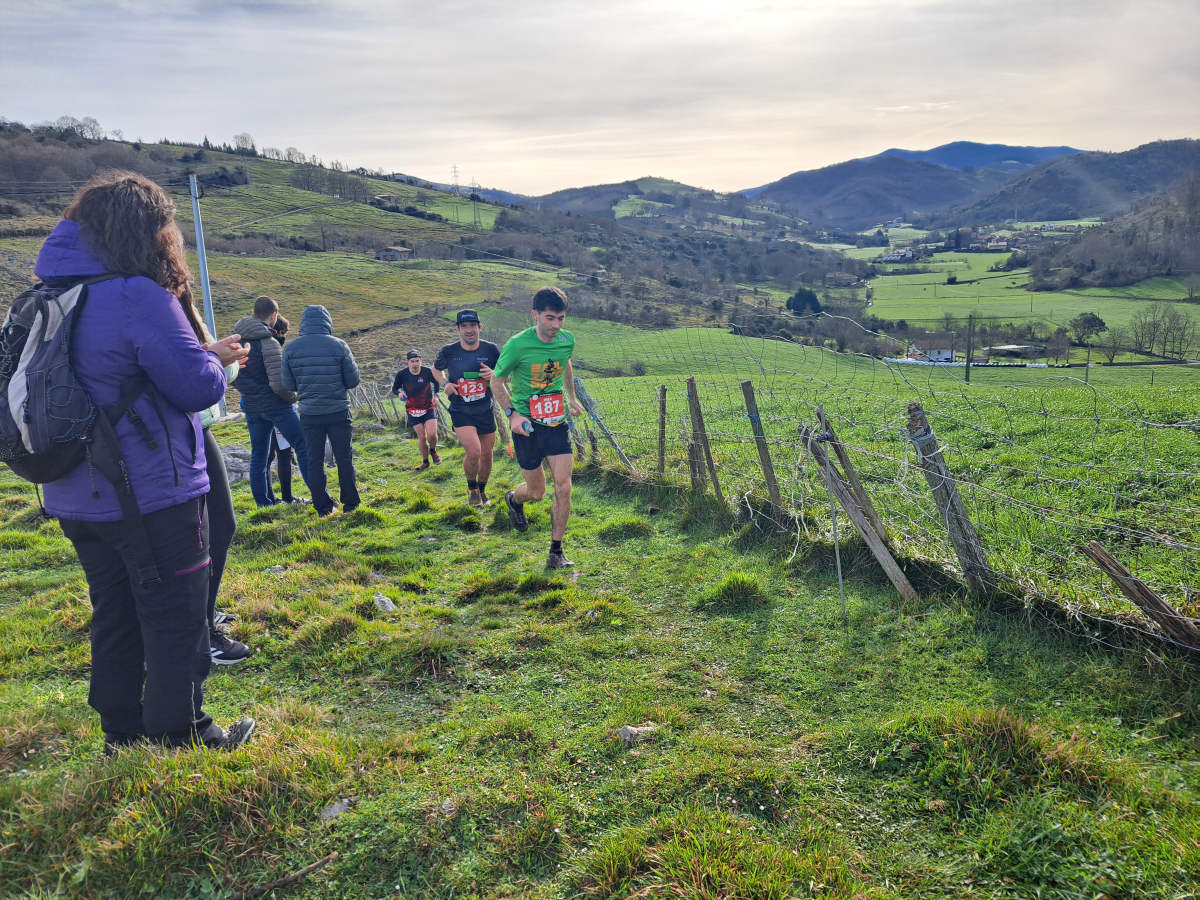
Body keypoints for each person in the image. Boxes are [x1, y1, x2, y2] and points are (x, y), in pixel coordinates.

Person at [35, 171, 254, 751]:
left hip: (72, 494)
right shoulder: (135, 294)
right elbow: (197, 388)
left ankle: (122, 732)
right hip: (150, 492)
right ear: (147, 232)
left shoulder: (49, 295)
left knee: (116, 612)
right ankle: (182, 732)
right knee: (175, 614)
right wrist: (216, 361)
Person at [492, 287, 584, 569]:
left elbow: (565, 362)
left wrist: (571, 396)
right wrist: (512, 415)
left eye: (561, 318)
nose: (556, 325)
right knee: (536, 492)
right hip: (527, 428)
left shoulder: (566, 340)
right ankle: (513, 499)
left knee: (564, 487)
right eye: (549, 318)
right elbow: (497, 381)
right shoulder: (517, 345)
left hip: (557, 423)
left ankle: (556, 552)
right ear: (535, 315)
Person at [281, 305, 361, 516]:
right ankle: (351, 504)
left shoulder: (291, 349)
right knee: (344, 458)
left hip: (309, 413)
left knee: (314, 460)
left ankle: (323, 507)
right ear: (327, 322)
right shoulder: (339, 346)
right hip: (338, 411)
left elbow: (288, 384)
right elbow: (353, 381)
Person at [233, 297, 311, 508]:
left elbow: (232, 376)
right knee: (303, 445)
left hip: (252, 406)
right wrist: (293, 397)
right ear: (274, 315)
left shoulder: (235, 343)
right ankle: (320, 497)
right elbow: (279, 384)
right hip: (277, 406)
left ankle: (264, 504)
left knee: (259, 455)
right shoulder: (269, 343)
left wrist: (249, 394)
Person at [199, 367, 252, 666]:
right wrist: (219, 360)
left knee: (217, 525)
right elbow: (198, 379)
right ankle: (202, 629)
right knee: (215, 525)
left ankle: (204, 610)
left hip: (191, 425)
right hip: (181, 426)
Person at [433, 309, 501, 507]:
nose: (469, 330)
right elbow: (435, 370)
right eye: (464, 327)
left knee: (487, 454)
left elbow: (505, 373)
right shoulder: (449, 351)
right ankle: (471, 489)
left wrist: (494, 374)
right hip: (461, 410)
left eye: (473, 326)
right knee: (474, 452)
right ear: (458, 329)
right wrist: (445, 384)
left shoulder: (491, 350)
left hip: (485, 409)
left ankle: (481, 489)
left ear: (480, 327)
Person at [263, 316, 302, 504]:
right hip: (280, 407)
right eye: (284, 333)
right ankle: (287, 497)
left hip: (259, 407)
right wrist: (293, 397)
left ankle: (268, 498)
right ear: (278, 332)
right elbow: (283, 383)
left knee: (266, 455)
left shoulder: (257, 347)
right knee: (284, 453)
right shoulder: (277, 351)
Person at [392, 349, 441, 470]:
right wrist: (399, 393)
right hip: (413, 409)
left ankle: (433, 450)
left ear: (421, 361)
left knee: (432, 435)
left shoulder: (427, 371)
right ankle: (425, 462)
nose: (415, 364)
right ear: (407, 361)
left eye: (417, 361)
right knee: (422, 437)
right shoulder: (402, 374)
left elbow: (437, 383)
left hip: (428, 406)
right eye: (412, 361)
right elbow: (395, 388)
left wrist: (436, 396)